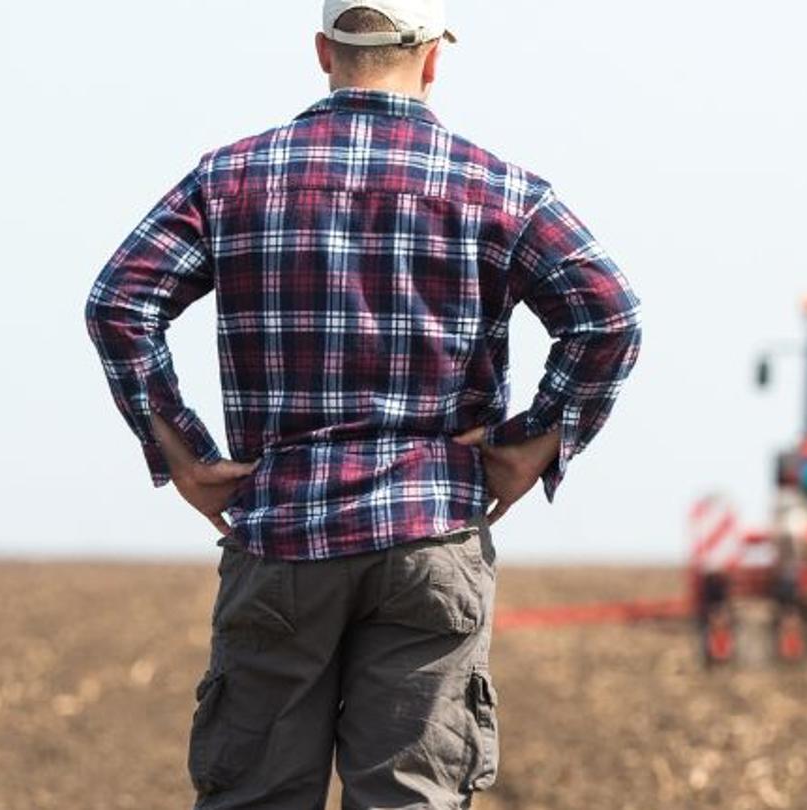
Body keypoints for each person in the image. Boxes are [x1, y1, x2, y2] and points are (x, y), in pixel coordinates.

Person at [81, 1, 641, 806]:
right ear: (433, 59)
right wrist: (531, 447)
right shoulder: (502, 190)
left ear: (323, 52)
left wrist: (185, 454)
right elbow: (609, 314)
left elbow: (119, 303)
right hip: (431, 537)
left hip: (283, 534)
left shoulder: (230, 178)